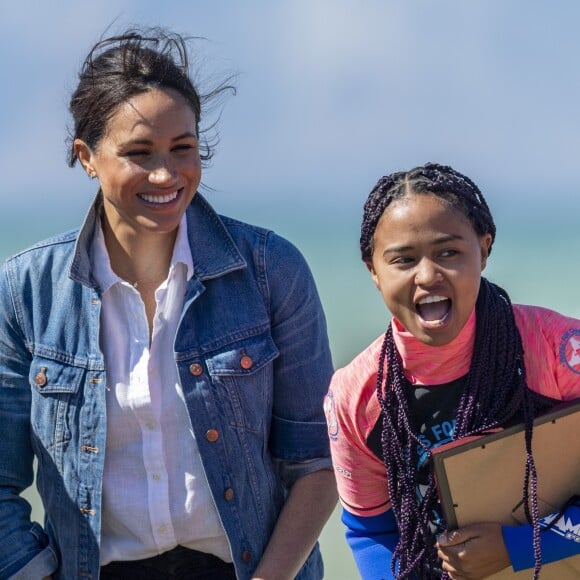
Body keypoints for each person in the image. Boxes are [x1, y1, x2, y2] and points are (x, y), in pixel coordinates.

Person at [0, 27, 337, 580]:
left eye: (183, 148)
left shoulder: (273, 271)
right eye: (139, 153)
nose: (166, 174)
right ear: (87, 157)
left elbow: (317, 463)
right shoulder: (26, 290)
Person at [324, 162, 580, 579]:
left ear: (484, 247)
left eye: (449, 253)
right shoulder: (358, 395)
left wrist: (518, 547)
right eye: (403, 260)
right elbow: (371, 529)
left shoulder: (555, 348)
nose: (428, 275)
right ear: (373, 270)